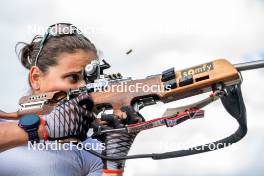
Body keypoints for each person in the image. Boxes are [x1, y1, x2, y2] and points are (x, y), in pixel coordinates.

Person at [0, 23, 142, 176]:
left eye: (89, 82)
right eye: (73, 78)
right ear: (36, 78)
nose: (84, 90)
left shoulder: (90, 149)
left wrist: (114, 160)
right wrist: (45, 127)